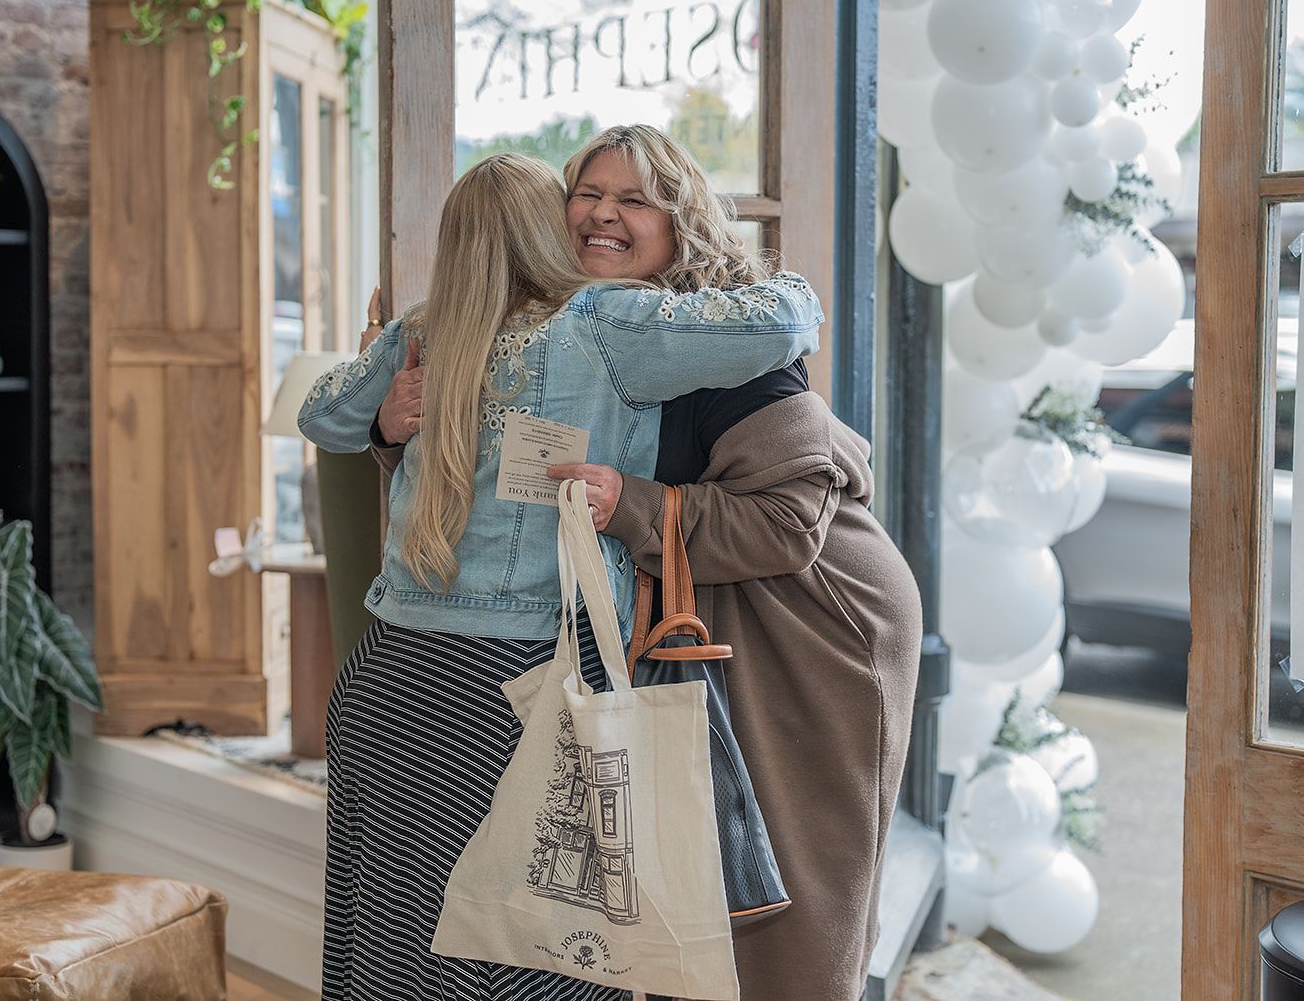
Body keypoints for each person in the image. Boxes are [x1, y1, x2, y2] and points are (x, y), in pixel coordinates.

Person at [376, 124, 921, 1001]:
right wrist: (391, 423)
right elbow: (482, 490)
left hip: (810, 620)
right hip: (696, 604)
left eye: (634, 199)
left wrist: (629, 503)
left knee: (774, 897)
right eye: (587, 194)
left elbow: (791, 521)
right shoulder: (565, 332)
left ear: (682, 220)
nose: (603, 214)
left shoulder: (717, 342)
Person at [298, 150, 823, 1001]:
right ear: (552, 226)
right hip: (518, 692)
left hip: (385, 682)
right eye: (584, 199)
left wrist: (385, 416)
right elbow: (782, 323)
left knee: (392, 954)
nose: (600, 219)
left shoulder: (421, 332)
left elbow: (320, 412)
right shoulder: (604, 323)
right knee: (543, 955)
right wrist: (780, 277)